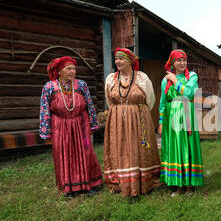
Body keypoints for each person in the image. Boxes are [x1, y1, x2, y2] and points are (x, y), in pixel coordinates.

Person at [39, 56, 102, 196]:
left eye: (74, 68)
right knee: (63, 153)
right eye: (69, 68)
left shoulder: (81, 85)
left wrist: (93, 124)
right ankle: (69, 187)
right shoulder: (50, 87)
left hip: (81, 124)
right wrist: (45, 131)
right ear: (60, 71)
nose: (72, 71)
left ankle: (87, 185)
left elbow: (90, 105)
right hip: (60, 125)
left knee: (85, 151)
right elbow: (44, 109)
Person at [103, 48, 161, 197]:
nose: (117, 62)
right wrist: (120, 113)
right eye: (116, 59)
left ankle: (144, 181)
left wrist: (135, 112)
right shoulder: (111, 79)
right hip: (117, 119)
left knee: (139, 149)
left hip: (139, 118)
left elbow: (150, 100)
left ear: (130, 61)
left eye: (121, 59)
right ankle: (120, 182)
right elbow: (110, 101)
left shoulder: (142, 77)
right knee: (120, 148)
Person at [158, 49, 204, 196]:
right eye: (179, 60)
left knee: (188, 147)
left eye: (184, 60)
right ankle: (177, 185)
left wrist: (175, 80)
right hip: (171, 117)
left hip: (187, 114)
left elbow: (189, 93)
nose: (182, 63)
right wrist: (160, 122)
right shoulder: (165, 80)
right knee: (175, 147)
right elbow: (163, 102)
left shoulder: (192, 76)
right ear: (173, 62)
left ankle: (190, 185)